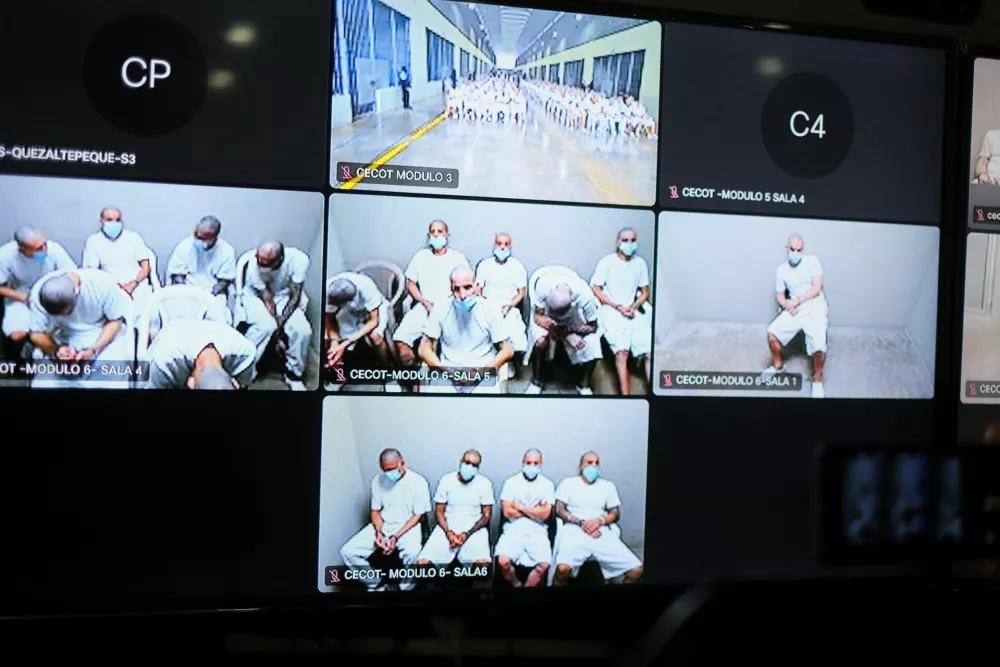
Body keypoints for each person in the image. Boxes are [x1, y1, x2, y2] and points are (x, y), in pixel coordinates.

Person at [340, 448, 431, 591]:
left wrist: (395, 537)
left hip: (408, 526)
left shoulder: (418, 482)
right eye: (385, 470)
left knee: (413, 552)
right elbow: (375, 511)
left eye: (392, 469)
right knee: (348, 551)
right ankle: (375, 583)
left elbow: (417, 516)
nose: (389, 474)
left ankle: (406, 587)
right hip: (384, 524)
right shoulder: (378, 481)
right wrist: (379, 533)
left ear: (402, 463)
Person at [27, 269, 132, 388]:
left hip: (106, 334)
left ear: (78, 292)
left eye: (66, 312)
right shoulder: (38, 293)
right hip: (65, 335)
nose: (63, 316)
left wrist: (93, 350)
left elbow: (115, 321)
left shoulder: (102, 283)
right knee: (42, 384)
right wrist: (57, 350)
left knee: (109, 381)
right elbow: (36, 333)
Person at [553, 451, 643, 585]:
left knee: (637, 570)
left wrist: (599, 521)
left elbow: (615, 513)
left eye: (596, 463)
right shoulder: (568, 483)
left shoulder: (608, 486)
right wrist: (580, 522)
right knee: (562, 569)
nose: (593, 466)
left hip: (601, 530)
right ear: (581, 466)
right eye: (589, 463)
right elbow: (559, 510)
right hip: (574, 529)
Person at [419, 266, 513, 393]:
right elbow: (423, 349)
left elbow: (507, 350)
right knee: (438, 407)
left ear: (476, 286)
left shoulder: (490, 309)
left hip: (483, 372)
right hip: (448, 372)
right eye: (457, 289)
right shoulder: (441, 308)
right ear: (451, 289)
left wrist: (481, 372)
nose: (462, 295)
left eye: (467, 287)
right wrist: (447, 371)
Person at [392, 220, 470, 371]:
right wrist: (423, 301)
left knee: (456, 348)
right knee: (400, 339)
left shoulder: (457, 258)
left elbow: (466, 285)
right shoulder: (421, 257)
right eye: (432, 232)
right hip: (425, 307)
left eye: (440, 232)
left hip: (451, 308)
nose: (436, 235)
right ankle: (414, 378)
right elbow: (411, 284)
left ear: (447, 235)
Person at [762, 233, 828, 399]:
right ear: (787, 248)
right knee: (772, 334)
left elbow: (816, 287)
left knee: (819, 346)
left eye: (799, 250)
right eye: (792, 249)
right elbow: (780, 296)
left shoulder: (813, 261)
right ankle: (777, 367)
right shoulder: (781, 270)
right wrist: (786, 305)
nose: (795, 253)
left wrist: (797, 300)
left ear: (803, 249)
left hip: (815, 305)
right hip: (795, 309)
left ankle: (817, 380)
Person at [241, 241, 312, 391]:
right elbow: (268, 300)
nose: (260, 263)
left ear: (279, 259)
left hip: (284, 296)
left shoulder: (299, 260)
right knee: (266, 327)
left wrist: (281, 328)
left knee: (303, 330)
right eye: (258, 258)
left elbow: (295, 295)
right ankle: (243, 371)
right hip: (257, 295)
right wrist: (278, 336)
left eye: (265, 262)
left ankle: (294, 374)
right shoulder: (253, 266)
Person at [590, 228, 651, 395]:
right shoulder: (607, 262)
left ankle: (654, 393)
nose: (629, 244)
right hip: (612, 309)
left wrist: (635, 306)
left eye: (633, 240)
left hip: (632, 309)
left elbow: (645, 291)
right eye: (625, 240)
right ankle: (626, 397)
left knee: (649, 351)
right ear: (617, 242)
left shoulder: (640, 264)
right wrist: (617, 306)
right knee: (622, 352)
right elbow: (596, 288)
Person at [0, 226, 77, 353]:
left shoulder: (54, 249)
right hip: (22, 296)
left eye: (44, 244)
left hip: (52, 293)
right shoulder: (5, 255)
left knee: (60, 327)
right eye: (38, 248)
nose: (44, 249)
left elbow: (72, 274)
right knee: (16, 335)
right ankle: (30, 348)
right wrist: (24, 297)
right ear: (22, 249)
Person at [416, 449, 494, 569]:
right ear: (461, 462)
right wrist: (449, 533)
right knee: (423, 564)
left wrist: (466, 534)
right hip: (447, 526)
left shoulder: (485, 483)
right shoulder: (446, 480)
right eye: (467, 462)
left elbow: (486, 516)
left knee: (483, 566)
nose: (470, 467)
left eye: (474, 465)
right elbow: (439, 512)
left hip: (473, 529)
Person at [528, 272, 602, 395]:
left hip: (574, 323)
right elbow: (538, 317)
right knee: (541, 342)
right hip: (548, 320)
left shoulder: (586, 296)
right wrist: (566, 335)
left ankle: (584, 384)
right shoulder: (543, 285)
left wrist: (572, 331)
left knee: (593, 344)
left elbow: (593, 327)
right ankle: (537, 380)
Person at [495, 448, 555, 588]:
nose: (532, 466)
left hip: (538, 530)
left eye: (536, 463)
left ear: (541, 464)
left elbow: (545, 515)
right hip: (514, 528)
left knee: (544, 565)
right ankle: (516, 585)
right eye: (529, 463)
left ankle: (526, 590)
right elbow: (507, 512)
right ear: (523, 462)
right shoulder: (511, 482)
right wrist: (535, 510)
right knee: (503, 562)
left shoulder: (547, 485)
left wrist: (520, 507)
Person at [146, 318, 257, 390]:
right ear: (190, 384)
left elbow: (244, 385)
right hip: (168, 334)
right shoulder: (163, 360)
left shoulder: (245, 354)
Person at [166, 216, 236, 322]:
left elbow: (224, 280)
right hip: (187, 289)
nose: (197, 239)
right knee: (180, 316)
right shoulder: (185, 246)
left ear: (214, 238)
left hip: (213, 292)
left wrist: (208, 295)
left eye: (202, 238)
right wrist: (188, 292)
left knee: (218, 317)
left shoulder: (227, 251)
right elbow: (177, 275)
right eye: (196, 235)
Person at [82, 207, 154, 306]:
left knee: (145, 313)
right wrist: (115, 287)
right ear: (101, 221)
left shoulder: (133, 237)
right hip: (109, 287)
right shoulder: (94, 241)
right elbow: (92, 273)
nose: (114, 223)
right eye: (109, 220)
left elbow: (146, 267)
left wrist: (133, 284)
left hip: (138, 284)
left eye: (118, 220)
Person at [325, 273, 392, 371]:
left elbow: (374, 321)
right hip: (350, 312)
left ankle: (387, 367)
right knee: (329, 336)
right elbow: (329, 319)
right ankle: (338, 369)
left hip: (375, 309)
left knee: (375, 337)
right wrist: (334, 342)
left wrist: (345, 344)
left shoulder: (366, 286)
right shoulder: (329, 291)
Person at [474, 232, 528, 354]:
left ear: (510, 247)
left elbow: (521, 293)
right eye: (499, 244)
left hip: (509, 308)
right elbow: (477, 290)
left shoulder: (517, 266)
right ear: (494, 245)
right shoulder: (484, 265)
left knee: (519, 342)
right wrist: (488, 306)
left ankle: (510, 362)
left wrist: (509, 306)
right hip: (487, 308)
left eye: (506, 244)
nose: (502, 247)